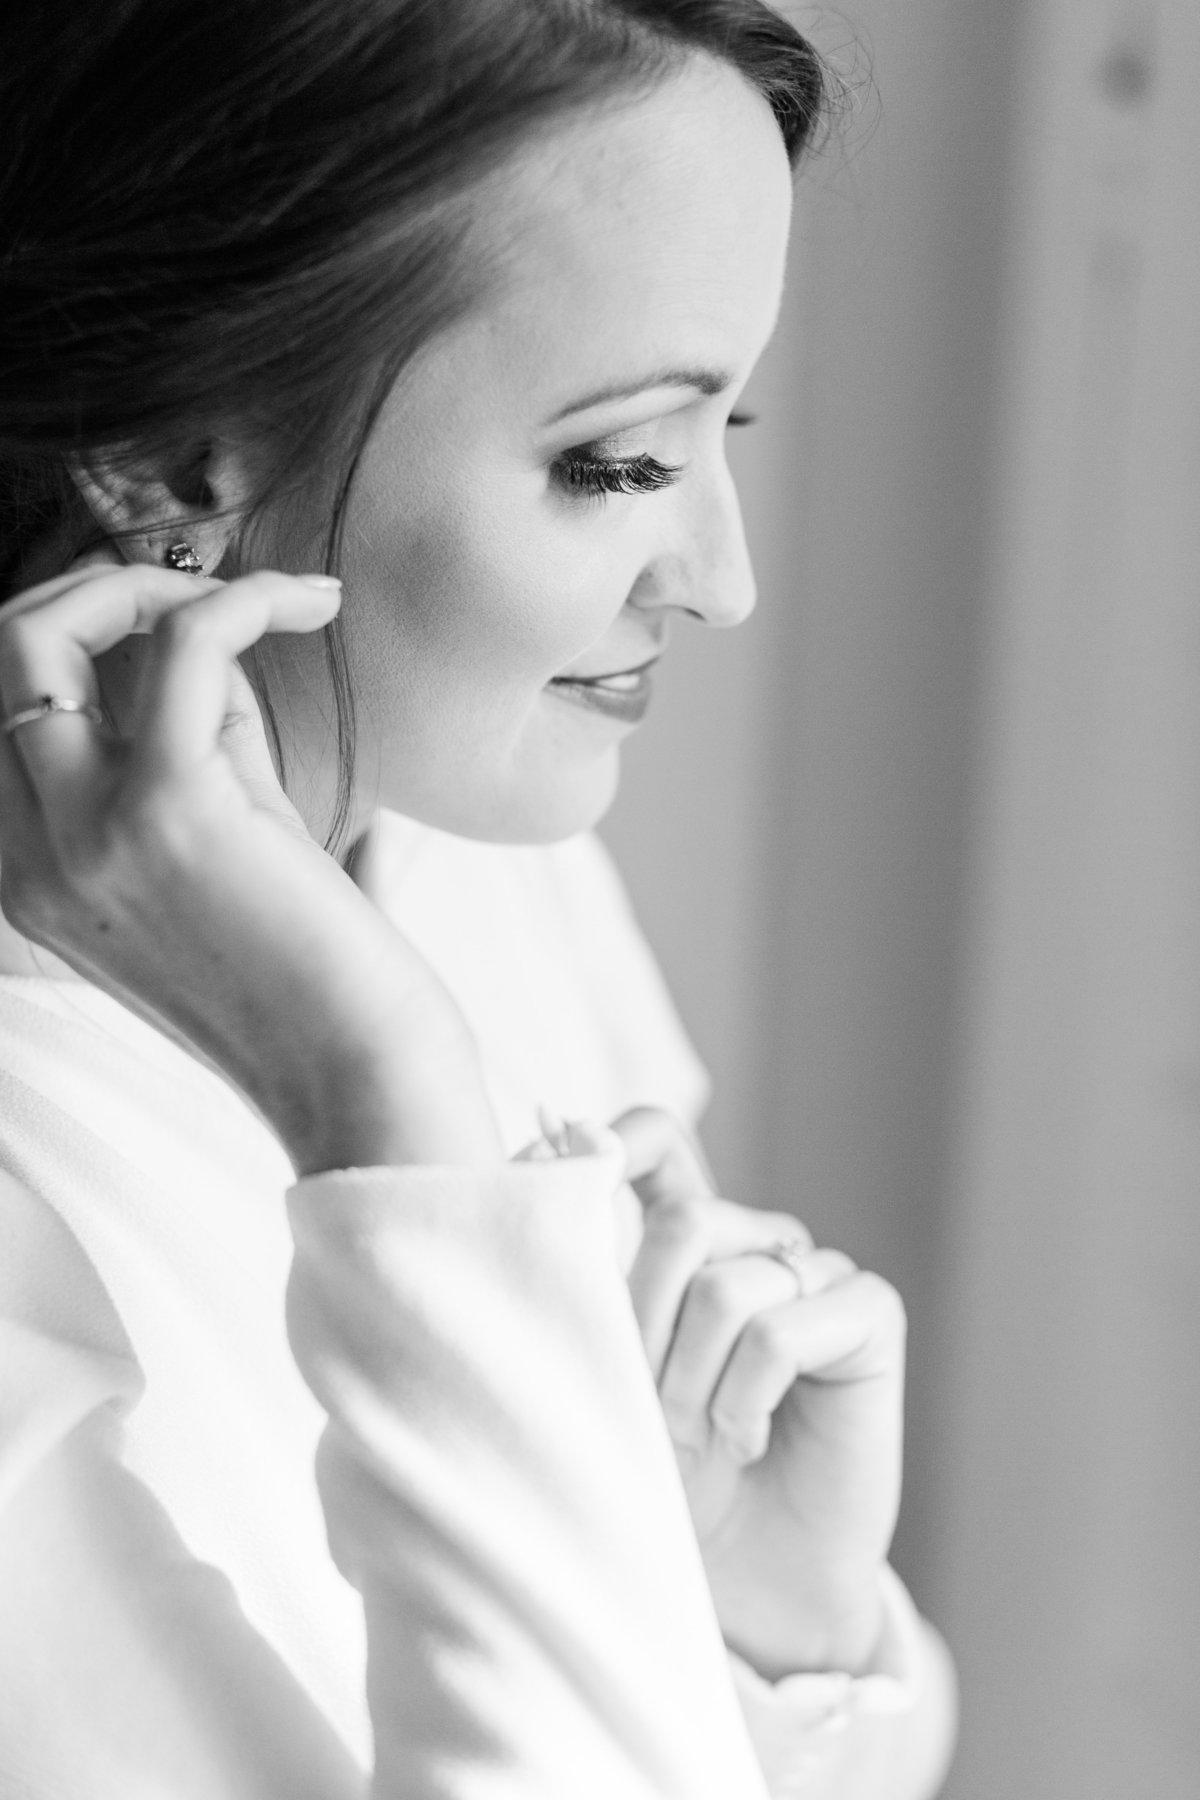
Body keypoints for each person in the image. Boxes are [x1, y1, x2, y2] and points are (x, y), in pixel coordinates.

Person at [0, 2, 956, 1795]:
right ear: (163, 457)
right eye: (621, 465)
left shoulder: (491, 874)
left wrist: (775, 1619)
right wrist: (385, 1113)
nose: (726, 580)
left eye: (725, 425)